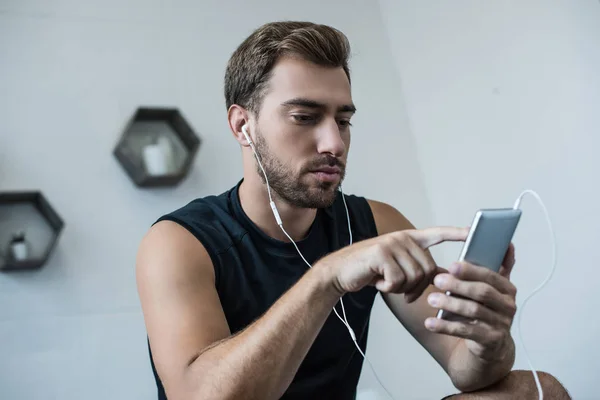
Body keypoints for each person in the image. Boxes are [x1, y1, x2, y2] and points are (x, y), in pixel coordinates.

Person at [136, 21, 571, 400]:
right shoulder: (179, 242)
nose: (334, 143)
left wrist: (487, 342)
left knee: (537, 391)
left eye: (342, 120)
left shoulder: (375, 224)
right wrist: (328, 276)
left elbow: (464, 368)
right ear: (242, 126)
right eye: (305, 117)